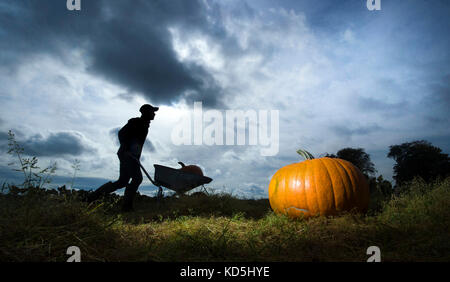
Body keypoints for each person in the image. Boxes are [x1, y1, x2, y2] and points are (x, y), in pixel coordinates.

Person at [88, 104, 158, 212]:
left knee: (122, 181)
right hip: (127, 154)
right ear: (146, 112)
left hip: (132, 156)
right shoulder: (136, 122)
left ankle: (90, 198)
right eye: (152, 112)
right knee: (137, 178)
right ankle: (127, 207)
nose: (154, 114)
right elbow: (121, 133)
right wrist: (126, 148)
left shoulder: (144, 125)